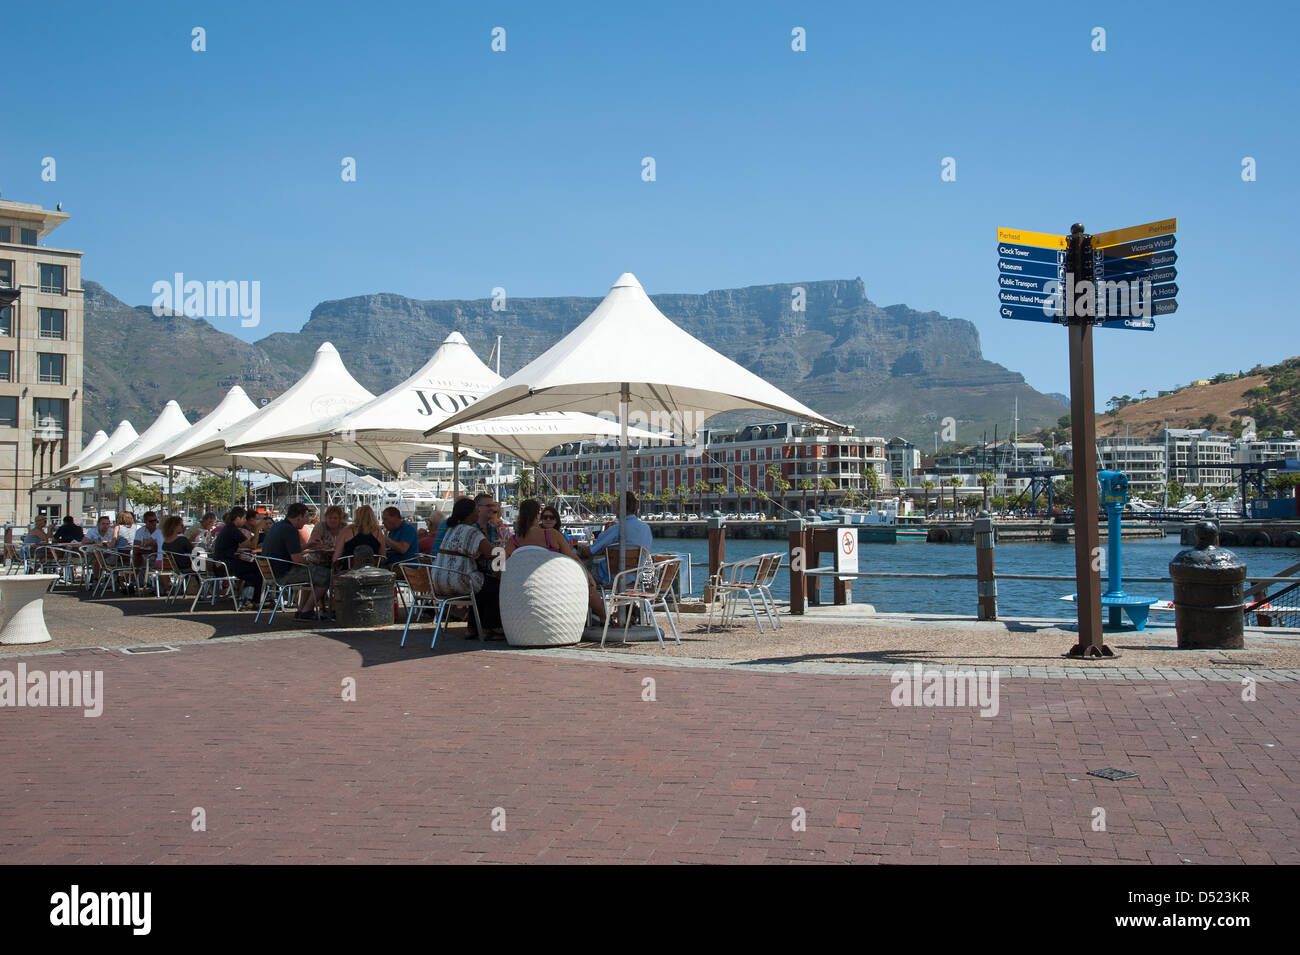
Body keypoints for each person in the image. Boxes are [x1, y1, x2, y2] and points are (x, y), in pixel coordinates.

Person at [506, 499, 605, 623]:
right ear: (538, 515)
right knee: (588, 587)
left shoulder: (514, 540)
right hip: (554, 585)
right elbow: (572, 557)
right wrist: (588, 576)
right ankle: (604, 619)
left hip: (524, 586)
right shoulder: (551, 534)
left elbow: (502, 565)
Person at [430, 496, 502, 638]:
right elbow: (490, 552)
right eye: (476, 511)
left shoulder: (452, 529)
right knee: (495, 586)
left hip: (437, 580)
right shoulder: (472, 531)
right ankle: (490, 627)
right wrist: (505, 550)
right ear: (469, 514)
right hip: (457, 580)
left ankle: (473, 628)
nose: (478, 513)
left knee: (483, 585)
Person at [262, 502, 331, 621]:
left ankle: (301, 610)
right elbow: (297, 559)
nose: (307, 520)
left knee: (313, 574)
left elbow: (288, 550)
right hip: (285, 574)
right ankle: (307, 610)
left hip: (273, 571)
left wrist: (308, 545)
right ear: (299, 516)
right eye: (306, 517)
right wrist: (313, 562)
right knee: (326, 575)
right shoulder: (291, 531)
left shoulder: (278, 526)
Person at [575, 492, 654, 585]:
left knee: (578, 567)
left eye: (615, 507)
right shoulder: (646, 528)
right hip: (635, 577)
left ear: (619, 509)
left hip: (611, 578)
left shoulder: (617, 529)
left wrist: (576, 548)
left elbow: (590, 552)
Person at [212, 507, 261, 607]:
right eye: (243, 518)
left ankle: (249, 600)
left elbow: (239, 544)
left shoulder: (228, 528)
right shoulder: (233, 530)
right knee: (257, 570)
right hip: (225, 565)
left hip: (220, 564)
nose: (244, 521)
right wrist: (257, 529)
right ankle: (250, 601)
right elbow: (252, 546)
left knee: (253, 571)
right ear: (237, 518)